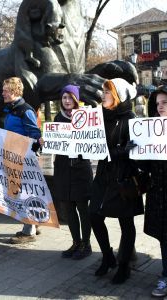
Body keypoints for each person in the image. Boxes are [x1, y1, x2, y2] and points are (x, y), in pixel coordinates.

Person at [89, 78, 143, 284]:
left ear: (118, 95)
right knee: (94, 215)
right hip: (103, 175)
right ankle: (108, 257)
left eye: (107, 92)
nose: (103, 95)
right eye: (103, 91)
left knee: (125, 222)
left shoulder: (130, 118)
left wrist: (120, 151)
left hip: (123, 177)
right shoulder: (97, 116)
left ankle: (124, 265)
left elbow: (137, 149)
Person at [138, 85, 167, 299]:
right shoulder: (152, 129)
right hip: (159, 195)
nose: (160, 107)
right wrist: (135, 152)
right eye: (157, 104)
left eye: (165, 102)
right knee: (165, 238)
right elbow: (148, 167)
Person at [53, 85, 93, 259]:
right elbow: (54, 142)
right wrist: (45, 139)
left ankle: (86, 244)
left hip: (80, 169)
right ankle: (76, 242)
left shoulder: (86, 118)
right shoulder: (57, 118)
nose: (67, 101)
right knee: (69, 209)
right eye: (64, 98)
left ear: (76, 99)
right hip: (63, 169)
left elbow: (93, 141)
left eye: (70, 97)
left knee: (83, 208)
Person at [2, 77, 42, 244]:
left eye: (4, 90)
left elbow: (35, 135)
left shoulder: (25, 110)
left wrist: (26, 154)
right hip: (14, 158)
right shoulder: (12, 109)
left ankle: (28, 231)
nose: (2, 93)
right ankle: (35, 224)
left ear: (13, 91)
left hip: (24, 160)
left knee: (25, 194)